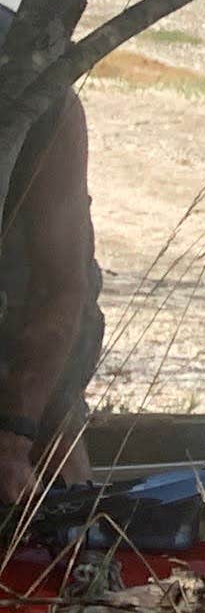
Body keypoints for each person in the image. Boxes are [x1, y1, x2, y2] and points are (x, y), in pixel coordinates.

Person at [0, 90, 101, 507]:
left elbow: (62, 285)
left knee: (52, 494)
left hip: (29, 331)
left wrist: (17, 431)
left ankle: (82, 554)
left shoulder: (44, 93)